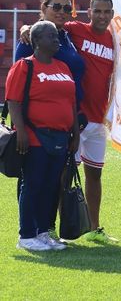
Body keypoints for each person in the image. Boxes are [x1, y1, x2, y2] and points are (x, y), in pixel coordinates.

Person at [6, 20, 80, 251]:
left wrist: (75, 134)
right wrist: (21, 131)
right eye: (50, 36)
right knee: (33, 184)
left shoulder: (63, 68)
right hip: (35, 136)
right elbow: (14, 102)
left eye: (57, 36)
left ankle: (42, 232)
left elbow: (71, 103)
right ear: (37, 40)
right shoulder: (24, 66)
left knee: (51, 186)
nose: (56, 40)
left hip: (60, 137)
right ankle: (26, 235)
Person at [65, 0, 117, 243]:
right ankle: (61, 228)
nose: (102, 16)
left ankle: (94, 228)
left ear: (112, 15)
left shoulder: (114, 39)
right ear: (89, 12)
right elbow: (49, 24)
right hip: (76, 117)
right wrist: (26, 27)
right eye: (98, 11)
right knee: (65, 174)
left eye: (107, 12)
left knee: (94, 175)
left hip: (98, 118)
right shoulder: (75, 29)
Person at [15, 0, 85, 119]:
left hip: (69, 115)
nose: (62, 12)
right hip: (40, 119)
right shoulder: (31, 37)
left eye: (67, 8)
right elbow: (17, 82)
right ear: (44, 8)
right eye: (57, 7)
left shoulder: (66, 35)